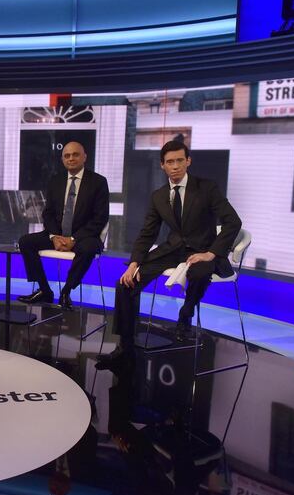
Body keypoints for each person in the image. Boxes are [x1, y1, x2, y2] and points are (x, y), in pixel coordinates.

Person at [97, 140, 241, 369]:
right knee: (125, 284)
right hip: (173, 249)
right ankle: (125, 346)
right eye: (170, 162)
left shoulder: (207, 188)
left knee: (200, 271)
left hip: (203, 249)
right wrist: (134, 263)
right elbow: (147, 233)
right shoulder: (159, 196)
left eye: (180, 161)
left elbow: (233, 222)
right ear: (162, 165)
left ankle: (186, 313)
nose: (175, 166)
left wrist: (211, 253)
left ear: (188, 161)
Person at [17, 141, 109, 310]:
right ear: (62, 159)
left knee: (88, 249)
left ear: (84, 157)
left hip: (85, 236)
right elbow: (48, 213)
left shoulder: (98, 182)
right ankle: (45, 290)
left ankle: (66, 291)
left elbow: (100, 218)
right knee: (25, 242)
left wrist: (74, 239)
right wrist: (53, 237)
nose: (71, 158)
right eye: (67, 155)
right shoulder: (56, 180)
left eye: (75, 154)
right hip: (58, 234)